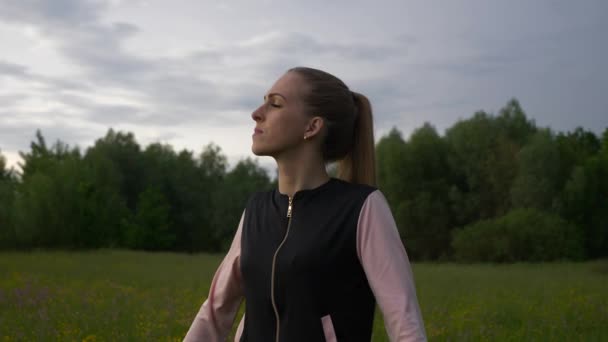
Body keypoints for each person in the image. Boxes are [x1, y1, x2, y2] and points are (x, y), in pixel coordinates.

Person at [184, 67, 426, 341]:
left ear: (312, 127)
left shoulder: (362, 208)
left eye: (274, 104)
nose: (257, 112)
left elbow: (404, 321)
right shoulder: (256, 210)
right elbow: (215, 313)